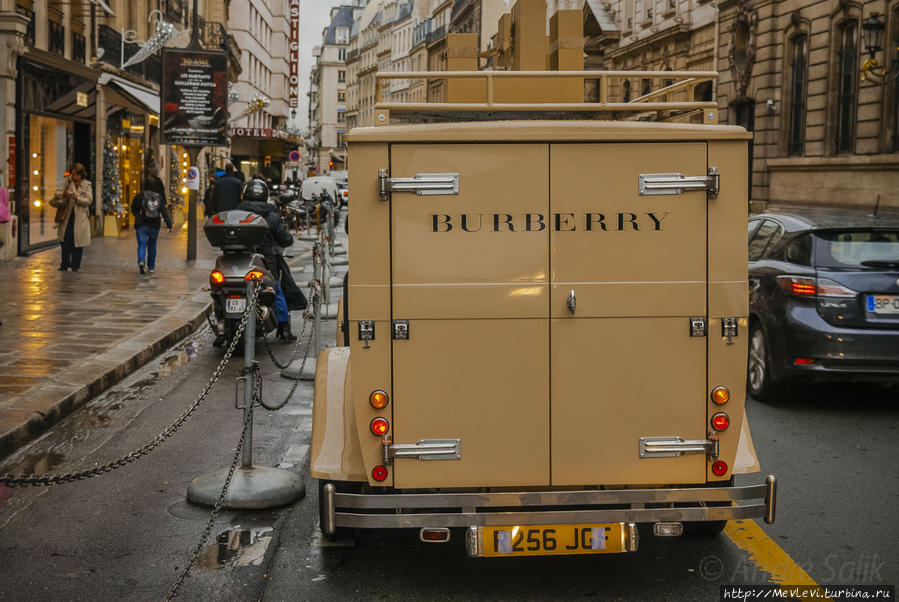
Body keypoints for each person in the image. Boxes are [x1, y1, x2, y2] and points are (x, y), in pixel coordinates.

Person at [238, 177, 306, 342]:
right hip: (266, 260)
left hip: (241, 259)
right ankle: (284, 328)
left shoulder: (238, 212)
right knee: (277, 289)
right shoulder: (271, 214)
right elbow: (286, 239)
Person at [49, 162, 92, 272]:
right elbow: (57, 193)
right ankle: (64, 264)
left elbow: (88, 200)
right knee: (65, 240)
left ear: (81, 175)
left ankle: (75, 265)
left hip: (80, 217)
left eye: (76, 174)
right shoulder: (67, 182)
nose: (73, 176)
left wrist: (76, 198)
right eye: (72, 174)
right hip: (67, 215)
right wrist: (64, 193)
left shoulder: (87, 185)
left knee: (78, 242)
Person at [131, 175, 173, 275]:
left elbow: (133, 208)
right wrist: (169, 224)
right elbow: (163, 212)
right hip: (154, 224)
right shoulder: (159, 198)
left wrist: (138, 215)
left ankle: (141, 261)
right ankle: (151, 267)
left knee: (142, 244)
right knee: (152, 245)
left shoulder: (140, 196)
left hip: (141, 223)